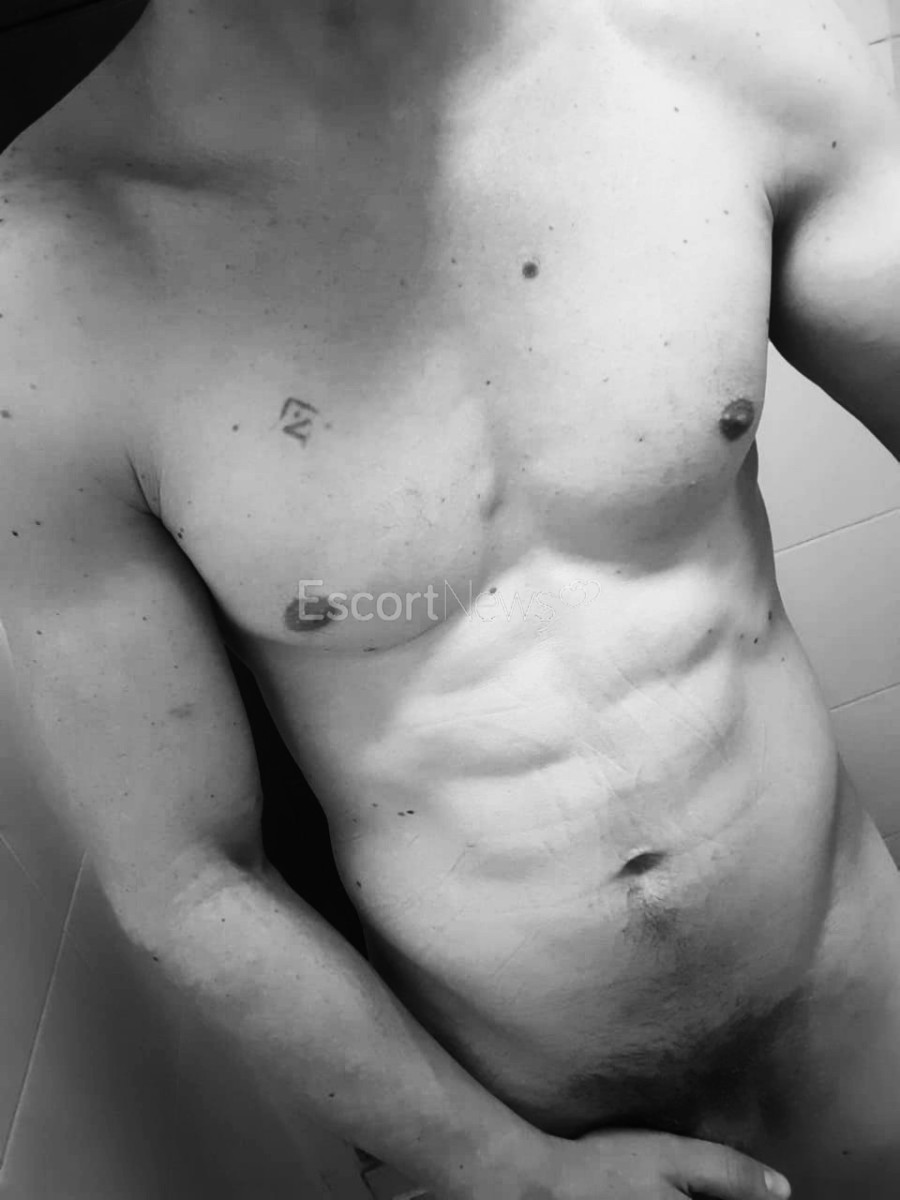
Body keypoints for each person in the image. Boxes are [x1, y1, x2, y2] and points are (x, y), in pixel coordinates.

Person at [1, 0, 899, 1196]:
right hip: (521, 1115)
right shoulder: (39, 289)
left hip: (862, 1009)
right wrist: (512, 1171)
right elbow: (187, 878)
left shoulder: (728, 53)